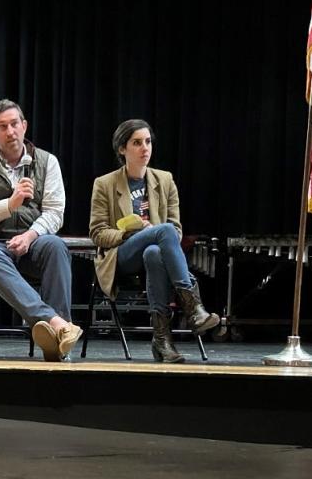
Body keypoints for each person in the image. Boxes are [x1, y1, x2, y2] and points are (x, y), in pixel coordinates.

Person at [0, 98, 81, 361]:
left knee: (56, 246)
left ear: (24, 126)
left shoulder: (47, 162)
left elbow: (55, 213)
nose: (10, 131)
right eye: (2, 126)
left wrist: (30, 235)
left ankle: (55, 344)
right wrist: (8, 205)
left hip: (30, 241)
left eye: (14, 124)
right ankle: (57, 324)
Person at [89, 119, 219, 363]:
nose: (144, 148)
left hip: (155, 254)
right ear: (122, 149)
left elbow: (177, 232)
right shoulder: (105, 184)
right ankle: (192, 307)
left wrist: (154, 233)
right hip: (122, 255)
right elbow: (97, 233)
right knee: (162, 232)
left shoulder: (165, 180)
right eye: (137, 143)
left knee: (154, 252)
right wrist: (131, 233)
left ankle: (162, 340)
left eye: (148, 142)